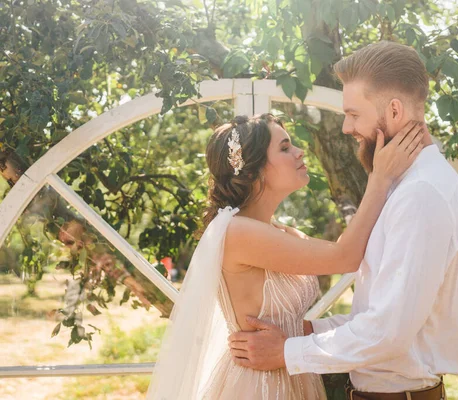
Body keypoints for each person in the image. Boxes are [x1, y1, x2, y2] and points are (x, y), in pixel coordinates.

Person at [228, 41, 458, 400]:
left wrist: (286, 353)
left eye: (355, 114)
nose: (346, 127)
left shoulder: (421, 194)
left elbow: (388, 331)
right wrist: (306, 331)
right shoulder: (406, 184)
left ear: (393, 110)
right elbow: (380, 313)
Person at [146, 111, 424, 399]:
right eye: (284, 147)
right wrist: (380, 179)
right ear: (253, 170)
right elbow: (345, 257)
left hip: (289, 374)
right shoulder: (237, 232)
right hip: (256, 386)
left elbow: (341, 249)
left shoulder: (279, 231)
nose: (299, 151)